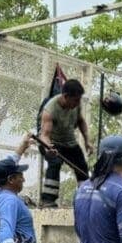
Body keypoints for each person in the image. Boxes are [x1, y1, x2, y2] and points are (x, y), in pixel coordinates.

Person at [38, 79, 92, 208]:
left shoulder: (76, 104)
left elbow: (81, 122)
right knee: (54, 162)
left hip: (69, 142)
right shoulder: (50, 109)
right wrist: (49, 147)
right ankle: (48, 200)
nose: (78, 103)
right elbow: (44, 135)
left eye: (79, 99)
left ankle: (86, 199)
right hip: (51, 142)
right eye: (75, 100)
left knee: (82, 167)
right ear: (66, 96)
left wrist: (87, 141)